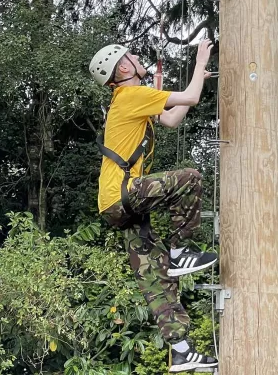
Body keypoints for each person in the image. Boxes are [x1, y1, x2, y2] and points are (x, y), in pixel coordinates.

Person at [89, 40, 219, 373]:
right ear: (123, 68)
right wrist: (200, 59)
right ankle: (180, 251)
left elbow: (172, 119)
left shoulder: (132, 100)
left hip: (114, 205)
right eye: (130, 56)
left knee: (155, 276)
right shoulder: (131, 95)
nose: (137, 58)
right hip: (124, 194)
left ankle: (180, 351)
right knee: (189, 178)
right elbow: (188, 98)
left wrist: (199, 77)